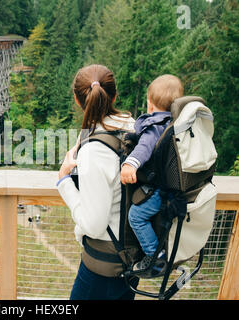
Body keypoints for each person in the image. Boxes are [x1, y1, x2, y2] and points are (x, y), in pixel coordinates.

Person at [56, 64, 139, 300]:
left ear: (76, 99)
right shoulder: (131, 126)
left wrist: (64, 182)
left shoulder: (94, 151)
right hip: (131, 256)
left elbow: (94, 225)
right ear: (114, 95)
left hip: (104, 266)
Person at [120, 75, 184, 275]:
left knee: (136, 216)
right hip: (176, 189)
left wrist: (130, 163)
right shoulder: (176, 124)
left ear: (150, 106)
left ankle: (154, 255)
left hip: (160, 191)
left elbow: (144, 147)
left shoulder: (154, 127)